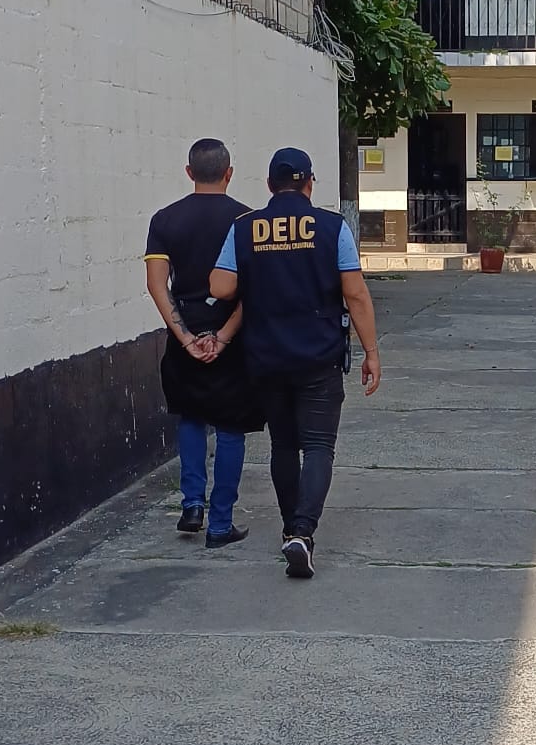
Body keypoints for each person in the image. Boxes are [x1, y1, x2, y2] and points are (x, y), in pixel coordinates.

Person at [210, 147, 381, 580]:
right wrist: (371, 352)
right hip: (318, 357)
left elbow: (221, 285)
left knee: (284, 446)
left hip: (266, 357)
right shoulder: (331, 226)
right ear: (309, 184)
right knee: (320, 446)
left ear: (269, 185)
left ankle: (292, 529)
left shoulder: (243, 227)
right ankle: (303, 533)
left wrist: (259, 272)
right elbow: (355, 293)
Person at [144, 138, 264, 549]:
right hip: (233, 335)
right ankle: (220, 523)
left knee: (191, 418)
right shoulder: (248, 220)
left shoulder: (165, 220)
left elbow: (157, 285)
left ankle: (192, 504)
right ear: (229, 173)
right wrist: (225, 336)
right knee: (230, 428)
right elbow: (254, 290)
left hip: (186, 334)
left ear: (189, 172)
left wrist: (186, 337)